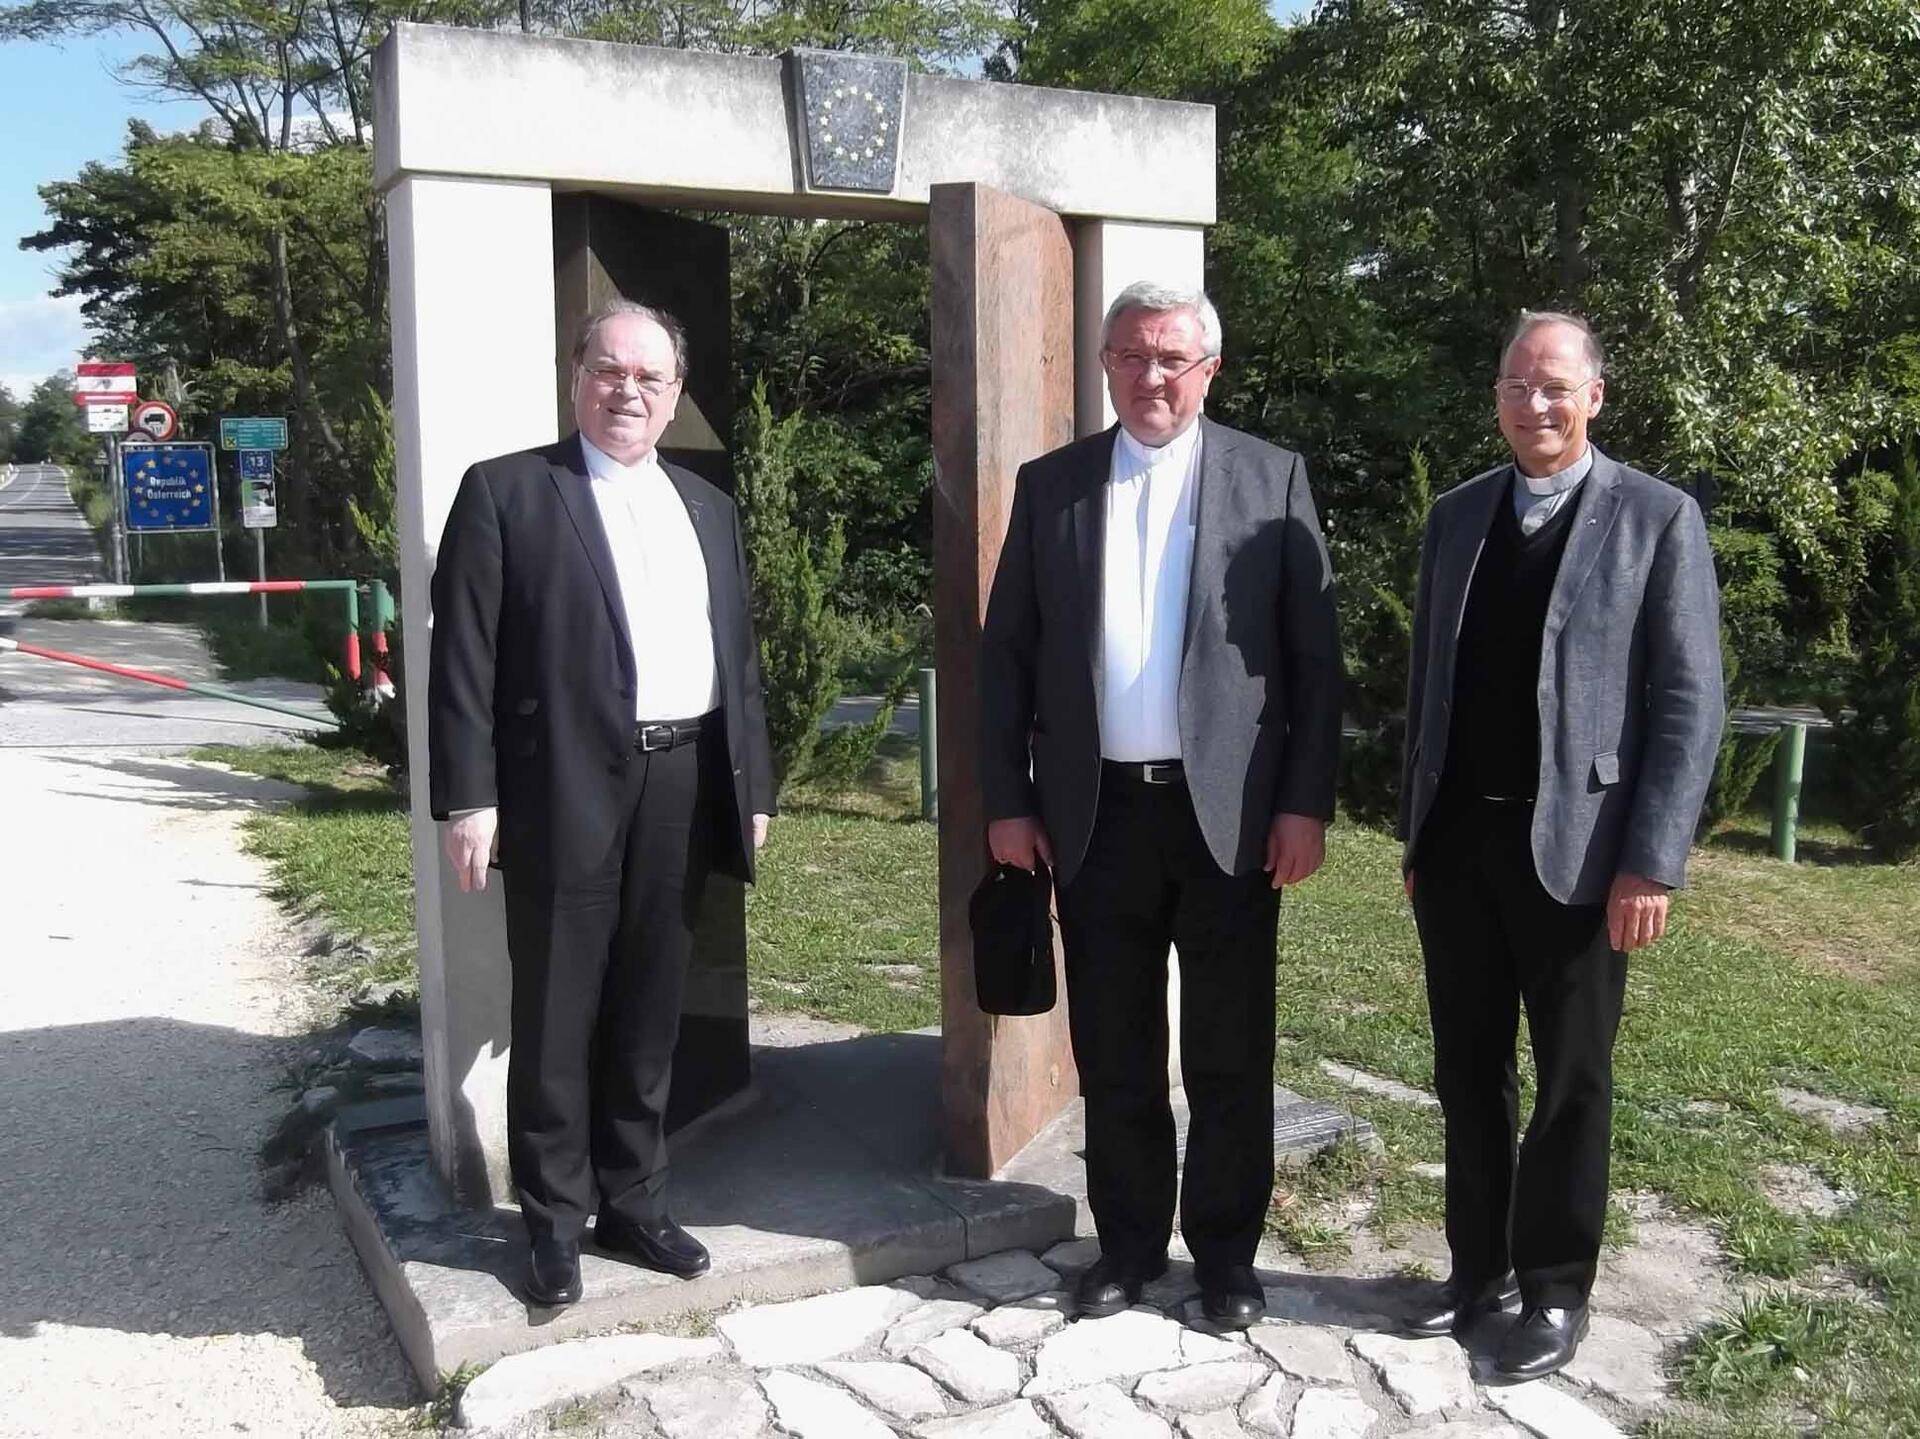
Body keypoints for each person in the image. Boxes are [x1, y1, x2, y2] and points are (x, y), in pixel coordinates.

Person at [980, 280, 1343, 1330]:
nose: (1152, 376)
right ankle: (1130, 1246)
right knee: (1116, 1048)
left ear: (1208, 369)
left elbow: (1315, 665)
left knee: (1230, 1048)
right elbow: (1006, 657)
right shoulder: (1052, 486)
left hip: (1229, 820)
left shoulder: (1271, 479)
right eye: (1132, 356)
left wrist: (1304, 803)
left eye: (1172, 358)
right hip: (1096, 815)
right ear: (1106, 364)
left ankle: (1226, 1258)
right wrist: (1009, 798)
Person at [428, 298, 775, 1308]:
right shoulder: (507, 492)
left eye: (649, 377)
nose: (629, 390)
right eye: (610, 370)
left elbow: (737, 656)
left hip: (685, 777)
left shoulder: (707, 505)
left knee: (651, 1003)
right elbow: (464, 658)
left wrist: (751, 782)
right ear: (577, 376)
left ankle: (635, 1200)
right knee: (556, 1006)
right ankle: (552, 1221)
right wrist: (469, 797)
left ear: (675, 394)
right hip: (561, 786)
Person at [1398, 311, 1724, 1377]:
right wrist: (1415, 831)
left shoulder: (1657, 518)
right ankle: (1475, 1270)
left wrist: (1652, 859)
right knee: (1467, 1069)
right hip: (1459, 845)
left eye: (1554, 386)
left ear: (1594, 395)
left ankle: (1552, 1289)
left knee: (1571, 1077)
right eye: (1516, 385)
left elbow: (1690, 703)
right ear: (1497, 396)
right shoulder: (1458, 517)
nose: (1534, 404)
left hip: (1583, 855)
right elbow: (1428, 685)